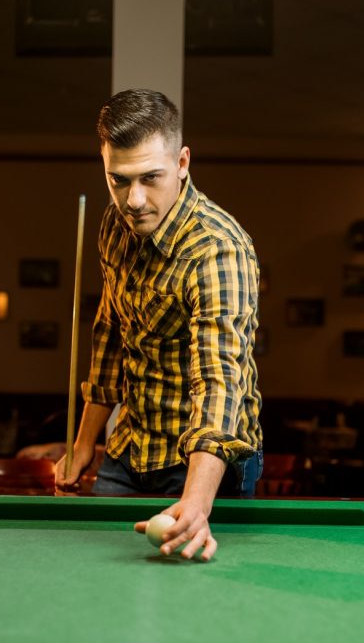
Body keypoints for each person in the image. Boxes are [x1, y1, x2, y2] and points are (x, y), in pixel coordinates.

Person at [56, 88, 262, 560]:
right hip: (130, 447)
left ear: (183, 162)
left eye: (151, 177)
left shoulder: (218, 249)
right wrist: (85, 443)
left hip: (208, 462)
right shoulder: (114, 226)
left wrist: (196, 501)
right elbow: (110, 334)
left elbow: (220, 379)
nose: (134, 200)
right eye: (118, 180)